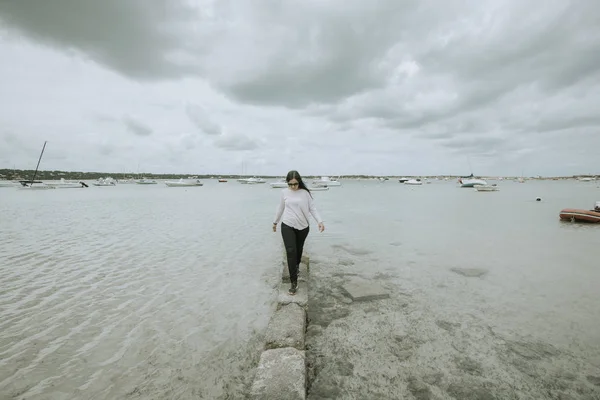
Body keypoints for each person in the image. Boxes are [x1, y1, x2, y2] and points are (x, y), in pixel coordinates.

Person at [272, 170, 325, 295]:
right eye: (290, 184)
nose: (293, 187)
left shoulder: (305, 193)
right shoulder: (284, 192)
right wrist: (275, 222)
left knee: (299, 250)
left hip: (303, 227)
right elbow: (280, 208)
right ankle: (293, 282)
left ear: (299, 182)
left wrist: (320, 221)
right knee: (291, 251)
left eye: (295, 184)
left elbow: (313, 208)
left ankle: (296, 266)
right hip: (287, 225)